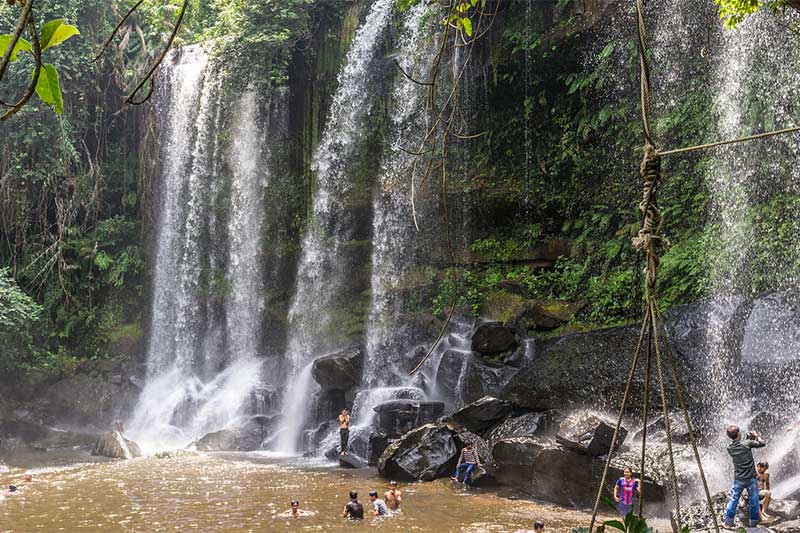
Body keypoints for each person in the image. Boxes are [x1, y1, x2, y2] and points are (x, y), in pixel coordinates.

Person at [723, 425, 765, 529]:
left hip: (739, 479)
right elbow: (762, 443)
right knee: (754, 500)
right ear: (738, 434)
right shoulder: (747, 444)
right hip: (751, 479)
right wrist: (756, 436)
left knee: (733, 499)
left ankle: (728, 523)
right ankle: (753, 524)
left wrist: (748, 439)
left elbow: (744, 446)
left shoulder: (730, 448)